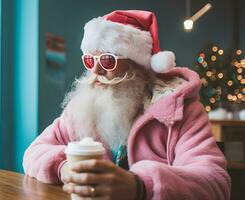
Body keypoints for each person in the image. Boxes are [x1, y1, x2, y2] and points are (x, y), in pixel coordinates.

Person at [23, 10, 231, 200]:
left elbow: (215, 183)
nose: (96, 72)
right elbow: (34, 152)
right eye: (89, 61)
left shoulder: (181, 110)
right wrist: (64, 168)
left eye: (107, 61)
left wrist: (141, 186)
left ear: (138, 65)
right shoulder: (83, 107)